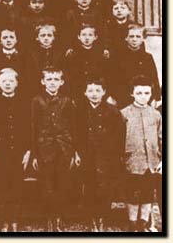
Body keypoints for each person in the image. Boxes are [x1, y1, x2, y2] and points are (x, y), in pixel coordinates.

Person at [31, 66, 79, 232]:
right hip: (44, 150)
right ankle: (49, 217)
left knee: (63, 184)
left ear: (62, 82)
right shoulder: (36, 101)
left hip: (63, 149)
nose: (52, 83)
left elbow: (74, 127)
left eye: (56, 80)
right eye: (49, 80)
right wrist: (35, 154)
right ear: (43, 82)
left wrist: (74, 152)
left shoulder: (67, 101)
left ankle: (59, 217)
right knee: (47, 185)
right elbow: (33, 128)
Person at [0, 68, 31, 232]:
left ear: (17, 83)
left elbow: (29, 129)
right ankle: (4, 220)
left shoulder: (25, 103)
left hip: (19, 151)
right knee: (1, 185)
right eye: (4, 81)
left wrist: (28, 152)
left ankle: (14, 220)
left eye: (11, 81)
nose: (8, 84)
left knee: (16, 185)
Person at [77, 77, 124, 231]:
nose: (94, 94)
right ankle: (92, 220)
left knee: (105, 189)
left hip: (107, 157)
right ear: (84, 93)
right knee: (89, 186)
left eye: (98, 90)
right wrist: (77, 153)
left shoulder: (113, 112)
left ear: (104, 92)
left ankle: (102, 218)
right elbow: (75, 134)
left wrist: (116, 157)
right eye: (90, 90)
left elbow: (119, 137)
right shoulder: (80, 111)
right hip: (87, 156)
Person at [120, 75, 162, 232]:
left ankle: (143, 223)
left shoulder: (156, 115)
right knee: (132, 194)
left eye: (146, 93)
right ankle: (132, 223)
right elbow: (118, 139)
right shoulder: (124, 114)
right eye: (139, 93)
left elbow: (162, 138)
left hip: (151, 162)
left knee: (147, 195)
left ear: (151, 94)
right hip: (132, 162)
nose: (143, 96)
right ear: (132, 93)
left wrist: (162, 161)